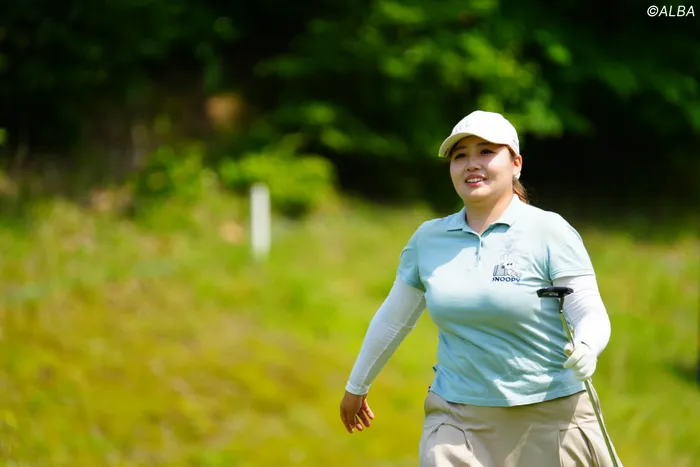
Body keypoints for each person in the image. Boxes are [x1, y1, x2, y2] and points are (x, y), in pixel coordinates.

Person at [339, 110, 623, 467]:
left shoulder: (549, 231)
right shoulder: (428, 239)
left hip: (550, 416)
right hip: (456, 418)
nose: (471, 163)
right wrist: (357, 386)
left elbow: (588, 310)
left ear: (516, 164)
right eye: (460, 156)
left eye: (486, 151)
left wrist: (587, 345)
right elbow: (393, 320)